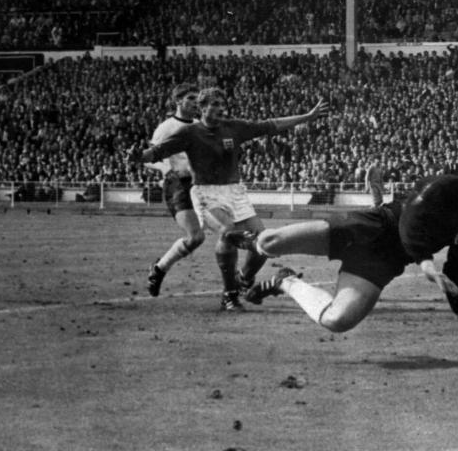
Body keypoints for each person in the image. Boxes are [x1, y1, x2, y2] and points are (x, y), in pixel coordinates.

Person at [226, 152, 458, 340]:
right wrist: (425, 261)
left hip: (385, 260)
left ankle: (285, 282)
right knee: (270, 241)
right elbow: (410, 221)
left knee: (337, 320)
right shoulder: (447, 185)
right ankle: (251, 242)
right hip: (371, 227)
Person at [129, 87, 329, 311]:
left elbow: (271, 124)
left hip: (235, 192)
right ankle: (229, 295)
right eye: (215, 104)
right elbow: (157, 152)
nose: (221, 109)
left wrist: (307, 117)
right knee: (226, 231)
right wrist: (139, 156)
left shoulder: (234, 127)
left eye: (223, 104)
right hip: (206, 192)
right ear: (203, 108)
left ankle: (243, 280)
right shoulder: (190, 132)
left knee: (264, 244)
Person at [143, 83, 203, 298]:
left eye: (197, 99)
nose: (196, 103)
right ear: (178, 101)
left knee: (228, 231)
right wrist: (166, 168)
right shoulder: (166, 128)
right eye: (191, 98)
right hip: (177, 185)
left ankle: (235, 286)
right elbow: (148, 160)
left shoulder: (199, 125)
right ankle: (159, 268)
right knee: (195, 237)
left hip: (201, 184)